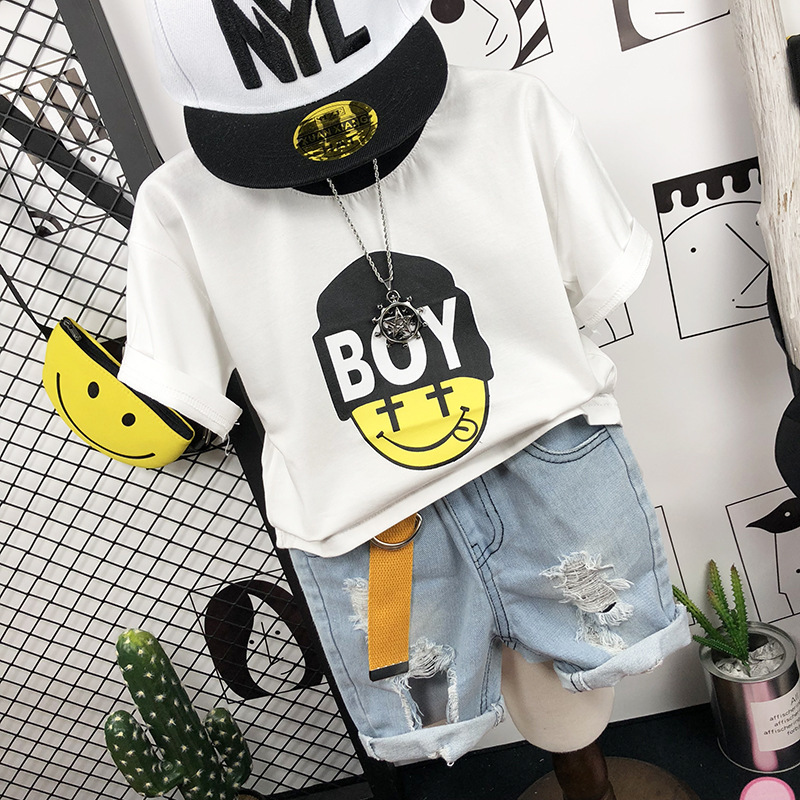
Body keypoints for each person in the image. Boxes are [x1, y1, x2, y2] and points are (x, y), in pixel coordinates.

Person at [119, 0, 690, 776]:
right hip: (377, 534)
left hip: (536, 472)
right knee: (437, 715)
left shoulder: (511, 114)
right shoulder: (180, 211)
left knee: (572, 709)